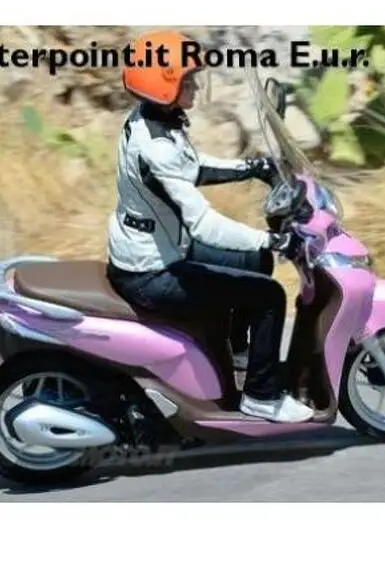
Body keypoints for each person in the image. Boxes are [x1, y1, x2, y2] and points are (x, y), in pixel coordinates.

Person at [106, 30, 314, 424]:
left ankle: (238, 354)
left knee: (254, 261)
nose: (197, 87)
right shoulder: (156, 147)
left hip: (159, 247)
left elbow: (192, 167)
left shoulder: (151, 121)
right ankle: (262, 396)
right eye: (188, 81)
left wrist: (253, 168)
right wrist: (273, 240)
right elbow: (203, 225)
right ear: (164, 88)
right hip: (152, 272)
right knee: (269, 296)